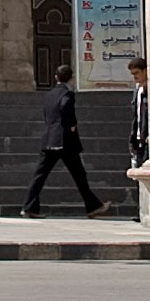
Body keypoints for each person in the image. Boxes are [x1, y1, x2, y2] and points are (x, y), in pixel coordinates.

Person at [23, 71, 104, 216]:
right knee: (79, 175)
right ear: (71, 78)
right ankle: (93, 206)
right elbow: (65, 106)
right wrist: (72, 123)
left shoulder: (49, 95)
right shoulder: (67, 94)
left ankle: (29, 206)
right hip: (65, 140)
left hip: (49, 139)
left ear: (56, 77)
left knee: (39, 175)